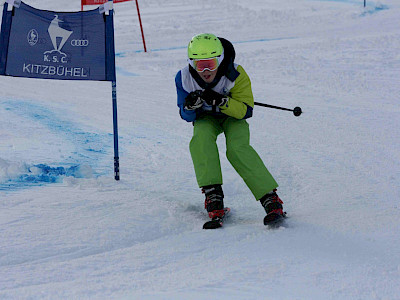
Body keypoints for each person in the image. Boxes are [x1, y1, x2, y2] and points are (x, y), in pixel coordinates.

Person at [175, 33, 285, 226]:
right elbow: (185, 115)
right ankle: (213, 195)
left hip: (233, 117)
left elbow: (245, 110)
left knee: (237, 148)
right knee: (200, 140)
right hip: (206, 118)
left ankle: (270, 198)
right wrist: (190, 107)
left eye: (211, 63)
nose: (207, 70)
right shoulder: (184, 78)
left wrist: (223, 102)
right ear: (191, 63)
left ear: (220, 59)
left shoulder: (236, 74)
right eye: (200, 65)